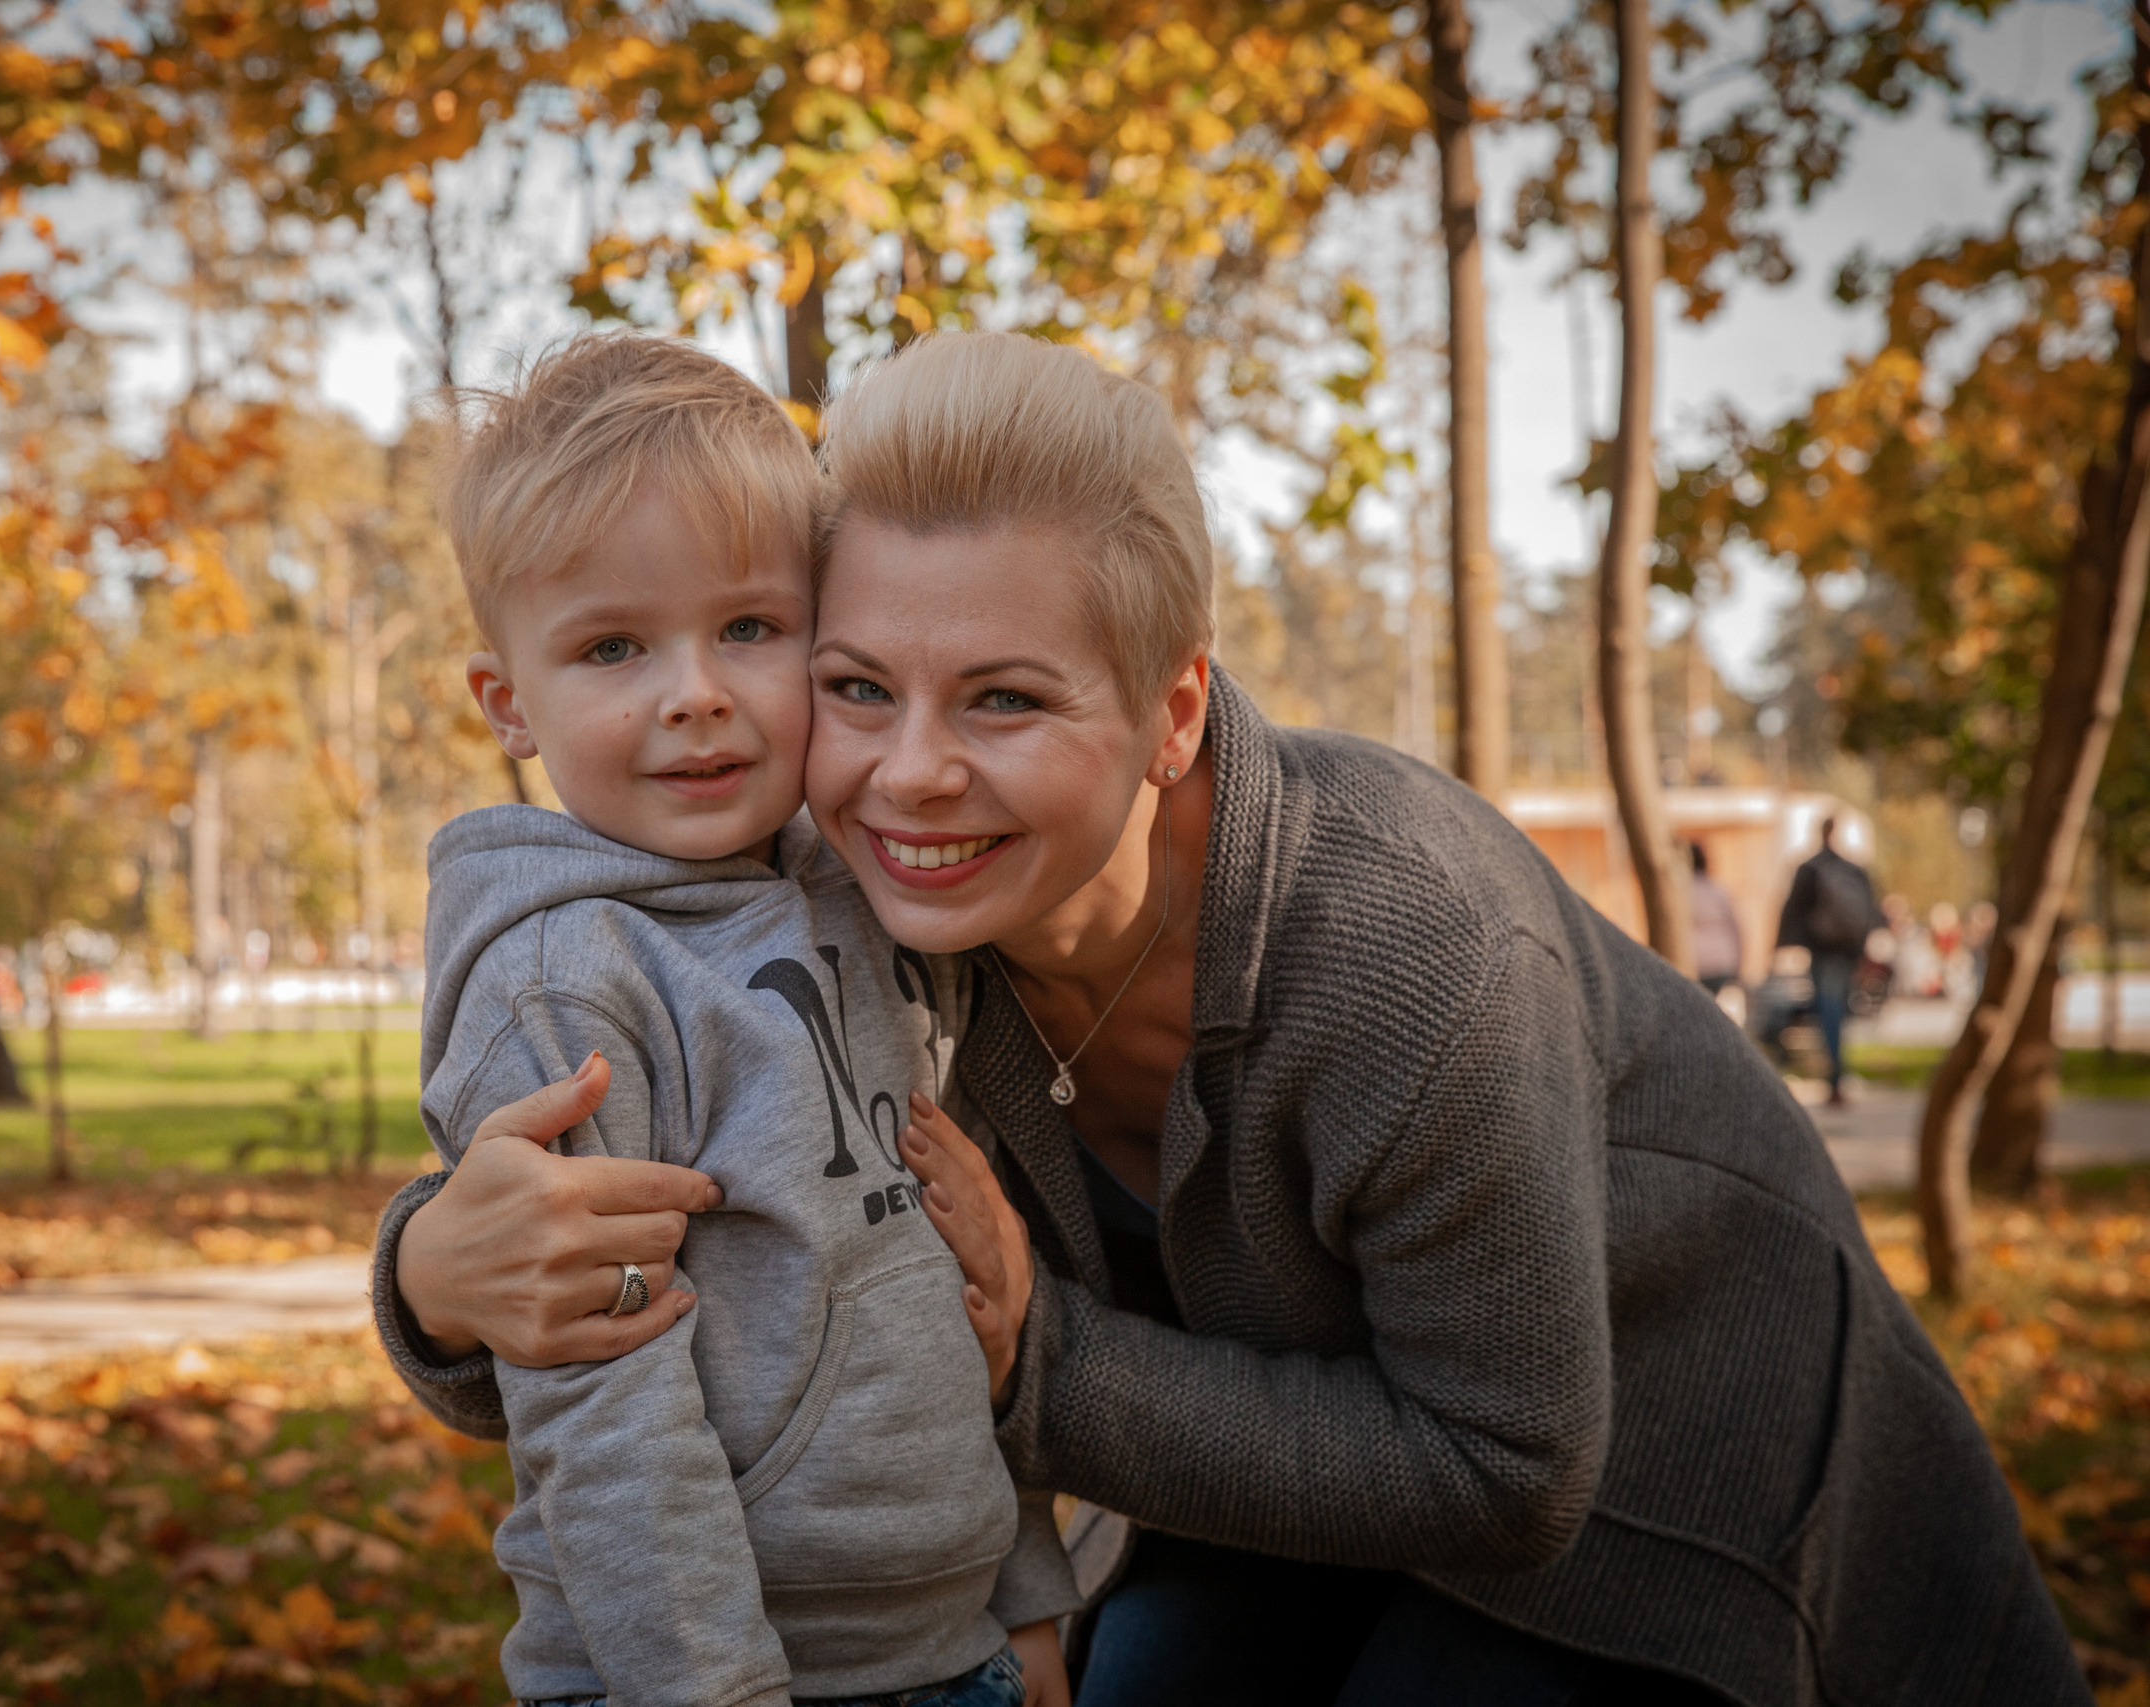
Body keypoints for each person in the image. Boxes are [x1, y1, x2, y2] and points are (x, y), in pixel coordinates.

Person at [374, 333, 2084, 1707]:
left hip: (1654, 1493)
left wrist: (1044, 1362)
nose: (910, 773)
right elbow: (692, 1216)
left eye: (1008, 697)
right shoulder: (871, 897)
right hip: (1264, 1483)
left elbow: (1506, 1467)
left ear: (1170, 705)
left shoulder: (1413, 947)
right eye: (855, 683)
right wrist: (437, 1280)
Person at [411, 334, 1072, 1707]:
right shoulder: (567, 978)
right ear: (509, 704)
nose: (695, 690)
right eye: (612, 646)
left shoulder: (865, 897)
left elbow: (951, 1260)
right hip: (696, 1669)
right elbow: (604, 1404)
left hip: (951, 1649)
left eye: (750, 628)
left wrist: (1025, 1602)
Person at [1769, 817, 1881, 1107]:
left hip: (1823, 953)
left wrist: (1780, 947)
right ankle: (1837, 1074)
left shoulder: (1811, 869)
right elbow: (1870, 912)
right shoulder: (1853, 871)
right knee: (1836, 1014)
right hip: (1846, 952)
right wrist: (1861, 951)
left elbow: (1793, 910)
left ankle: (1835, 1077)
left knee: (1828, 1013)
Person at [1687, 842, 1743, 997]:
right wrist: (1738, 962)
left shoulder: (1682, 894)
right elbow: (1735, 928)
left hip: (1695, 962)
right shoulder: (1718, 890)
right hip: (1722, 962)